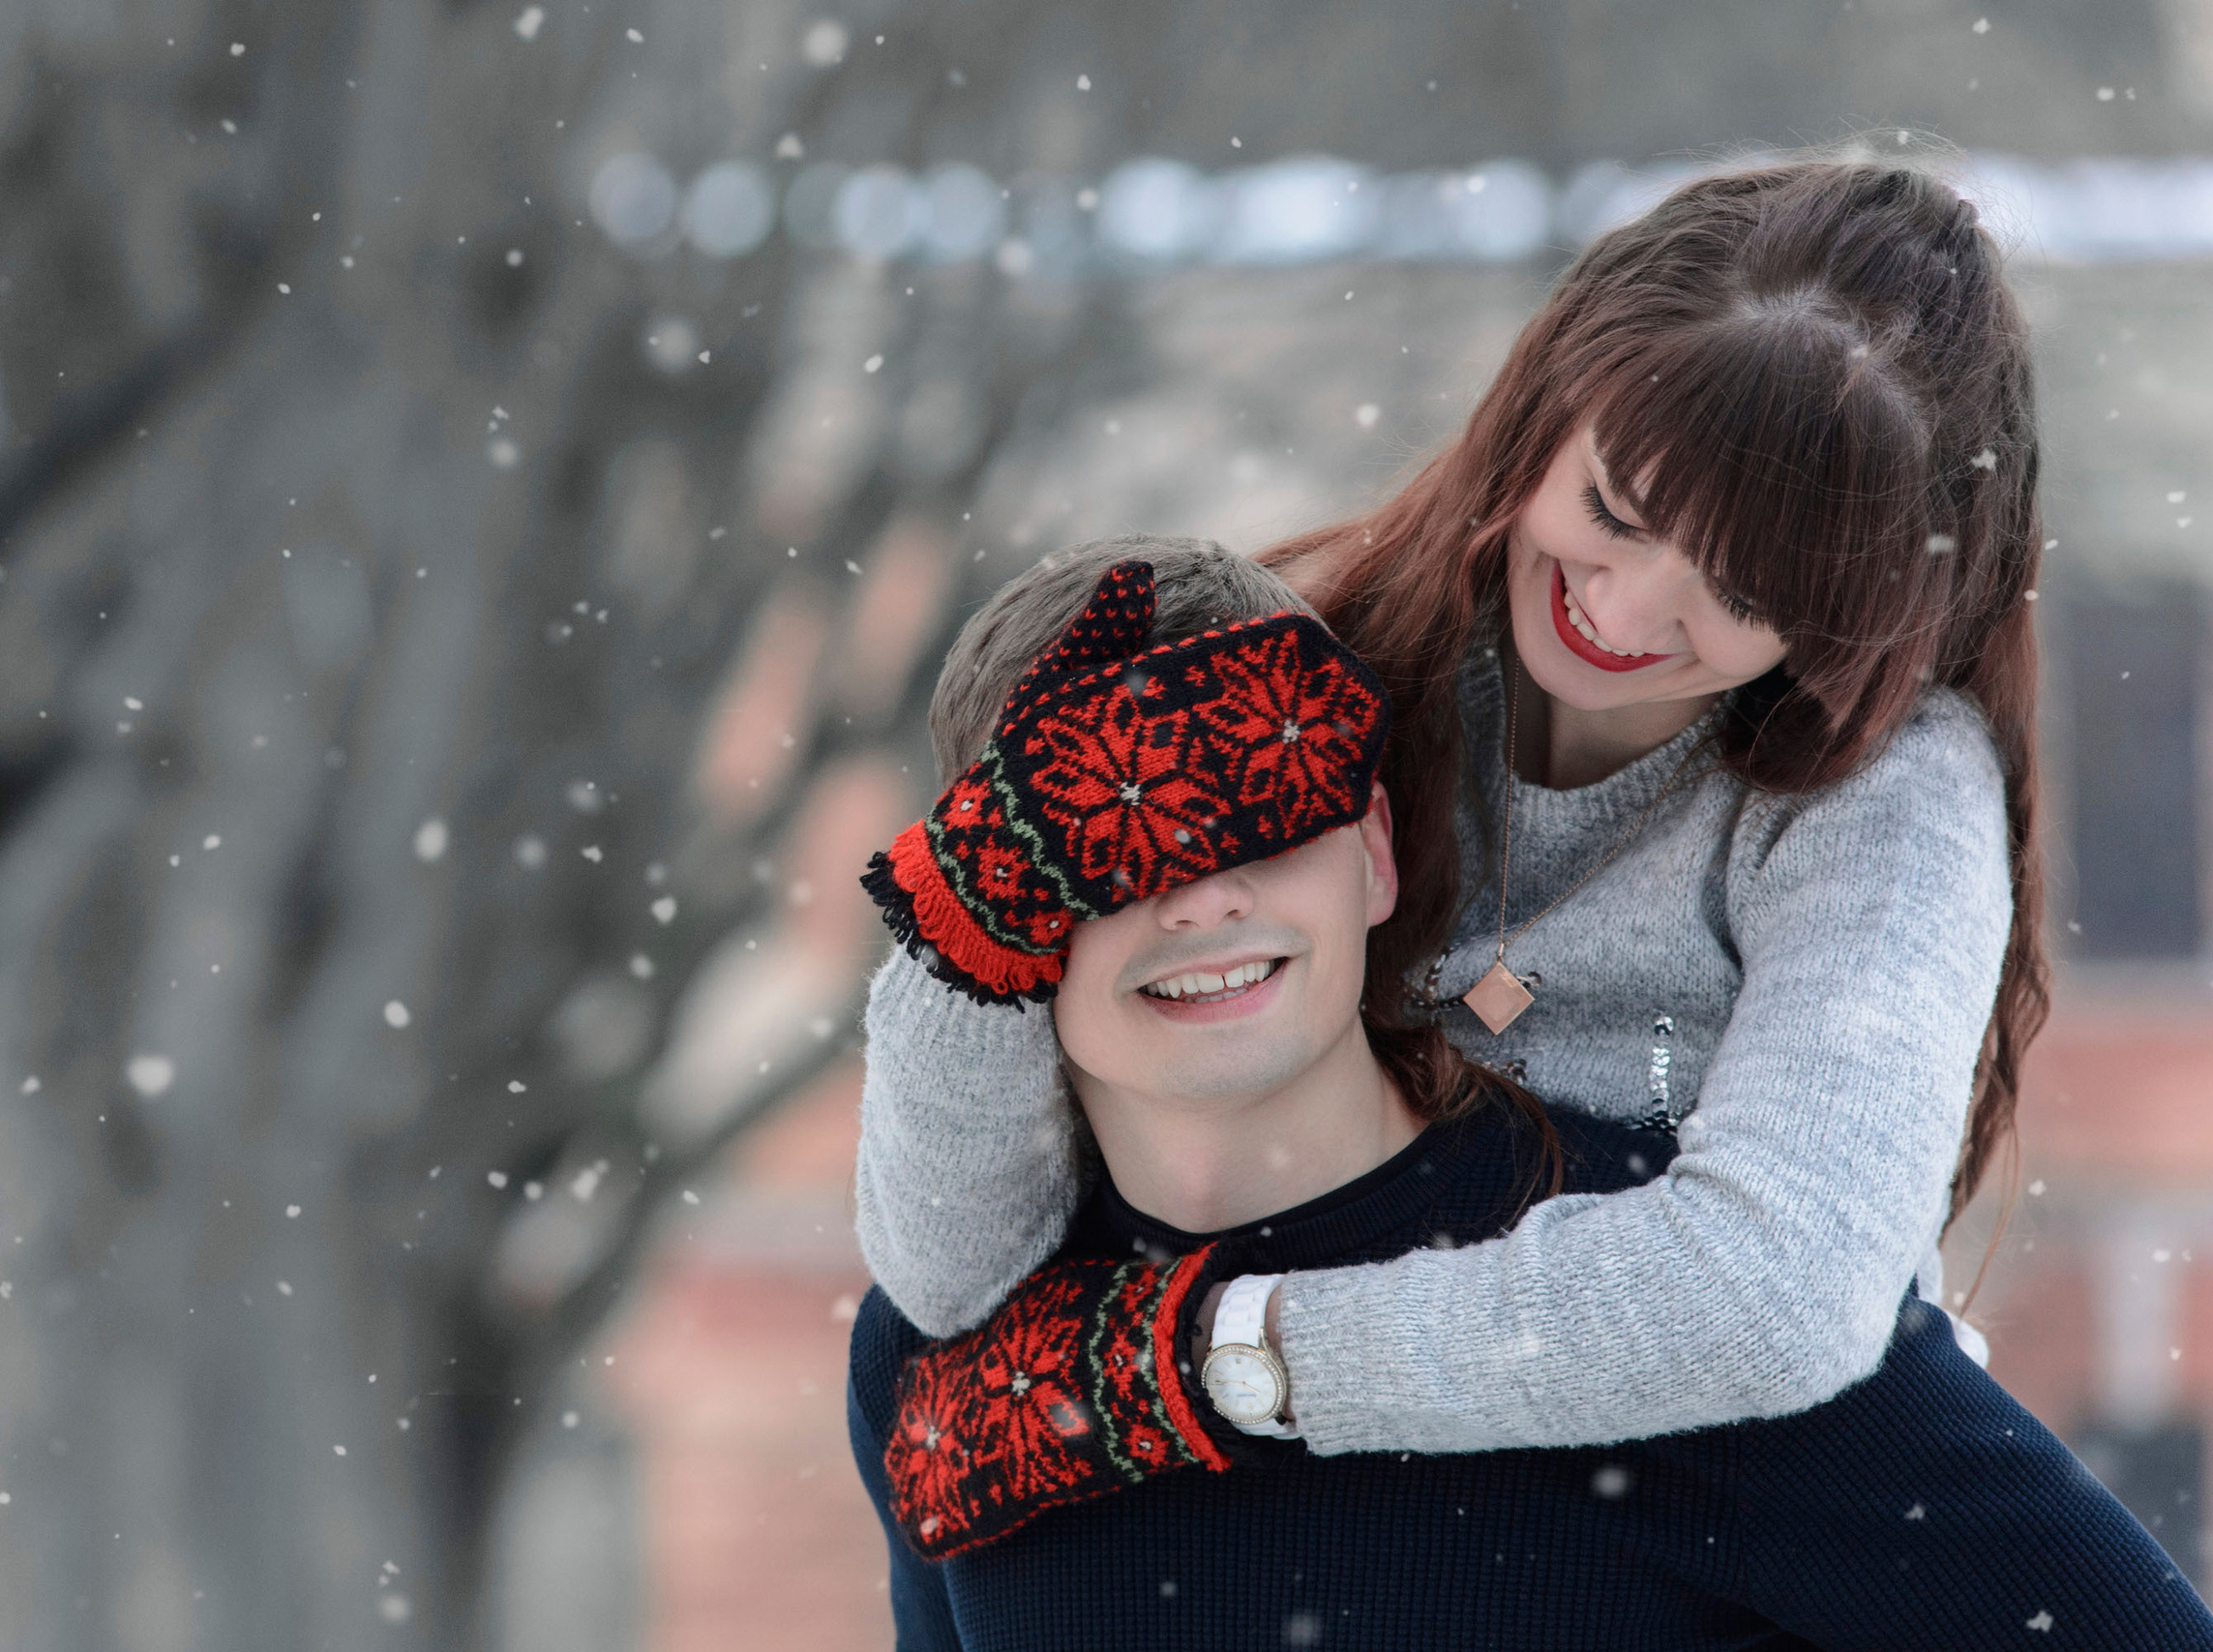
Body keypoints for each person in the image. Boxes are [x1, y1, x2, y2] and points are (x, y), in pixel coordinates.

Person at [853, 155, 2056, 1467]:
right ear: (1545, 402)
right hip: (1353, 1528)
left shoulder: (1882, 798)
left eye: (1750, 596)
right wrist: (967, 921)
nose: (1631, 613)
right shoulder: (1308, 680)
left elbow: (1779, 1294)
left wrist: (1226, 1364)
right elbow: (954, 1272)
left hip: (1752, 1504)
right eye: (1615, 509)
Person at [846, 541, 2213, 1651]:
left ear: (1375, 854)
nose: (1205, 895)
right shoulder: (944, 1354)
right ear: (990, 919)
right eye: (1109, 841)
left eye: (1262, 815)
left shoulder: (1684, 1298)